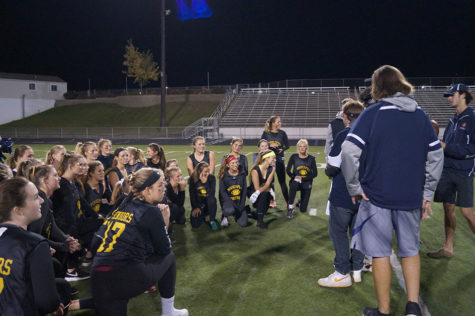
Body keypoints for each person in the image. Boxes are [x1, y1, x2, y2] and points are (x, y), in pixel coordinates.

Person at [341, 65, 443, 316]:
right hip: (410, 196)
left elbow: (348, 151)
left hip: (376, 197)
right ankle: (412, 308)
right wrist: (427, 193)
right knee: (410, 250)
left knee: (380, 254)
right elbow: (436, 155)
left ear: (378, 87)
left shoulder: (373, 113)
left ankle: (384, 311)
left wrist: (354, 186)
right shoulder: (420, 115)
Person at [91, 168, 188, 316]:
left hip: (98, 276)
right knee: (170, 258)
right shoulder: (151, 211)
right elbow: (164, 250)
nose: (164, 188)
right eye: (160, 185)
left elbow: (96, 243)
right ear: (147, 190)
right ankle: (169, 312)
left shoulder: (123, 204)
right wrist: (166, 222)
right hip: (124, 277)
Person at [0, 177, 67, 315]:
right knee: (63, 288)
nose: (42, 201)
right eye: (36, 197)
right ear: (18, 210)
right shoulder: (34, 244)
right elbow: (48, 303)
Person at [317, 99, 365, 288]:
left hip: (343, 192)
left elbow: (333, 165)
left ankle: (342, 272)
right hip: (366, 194)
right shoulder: (373, 135)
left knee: (338, 232)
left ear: (345, 117)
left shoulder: (345, 134)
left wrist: (329, 172)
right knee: (359, 232)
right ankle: (358, 268)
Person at [428, 83, 475, 258]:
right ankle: (448, 248)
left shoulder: (472, 118)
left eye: (451, 95)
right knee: (448, 207)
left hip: (464, 171)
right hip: (447, 170)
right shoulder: (452, 119)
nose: (449, 98)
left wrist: (446, 147)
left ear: (463, 95)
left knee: (466, 212)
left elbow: (472, 149)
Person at [285, 139, 318, 218]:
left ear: (307, 147)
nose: (302, 148)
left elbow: (315, 173)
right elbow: (288, 170)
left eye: (304, 146)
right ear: (298, 148)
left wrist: (303, 179)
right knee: (294, 184)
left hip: (306, 182)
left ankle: (300, 201)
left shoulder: (311, 159)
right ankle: (290, 208)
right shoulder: (294, 157)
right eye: (300, 146)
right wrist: (294, 177)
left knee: (303, 209)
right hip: (296, 181)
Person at [260, 116, 289, 203]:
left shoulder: (282, 133)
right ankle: (271, 201)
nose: (280, 123)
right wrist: (269, 145)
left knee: (282, 182)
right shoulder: (266, 133)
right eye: (278, 122)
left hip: (279, 160)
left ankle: (288, 203)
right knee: (270, 182)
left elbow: (287, 145)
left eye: (280, 122)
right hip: (268, 161)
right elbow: (260, 146)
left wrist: (282, 149)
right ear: (273, 123)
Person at [218, 154, 248, 228]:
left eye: (236, 162)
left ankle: (238, 213)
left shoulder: (242, 174)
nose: (235, 164)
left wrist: (241, 205)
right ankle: (224, 216)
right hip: (228, 203)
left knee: (243, 224)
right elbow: (222, 193)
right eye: (233, 163)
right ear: (228, 165)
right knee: (229, 210)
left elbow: (244, 191)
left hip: (238, 202)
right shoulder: (223, 176)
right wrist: (232, 204)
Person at [249, 149, 276, 229]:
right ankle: (260, 222)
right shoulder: (255, 170)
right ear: (267, 158)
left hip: (263, 191)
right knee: (264, 194)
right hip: (253, 193)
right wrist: (269, 190)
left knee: (267, 197)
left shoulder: (272, 169)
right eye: (273, 158)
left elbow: (268, 184)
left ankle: (254, 212)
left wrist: (271, 191)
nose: (275, 160)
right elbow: (257, 188)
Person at [188, 161, 218, 230]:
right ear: (199, 171)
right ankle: (203, 215)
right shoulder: (193, 180)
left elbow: (211, 195)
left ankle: (212, 220)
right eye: (205, 172)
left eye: (208, 171)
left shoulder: (211, 178)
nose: (207, 173)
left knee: (212, 200)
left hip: (209, 203)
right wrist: (195, 207)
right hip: (199, 205)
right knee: (195, 224)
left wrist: (205, 183)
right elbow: (192, 196)